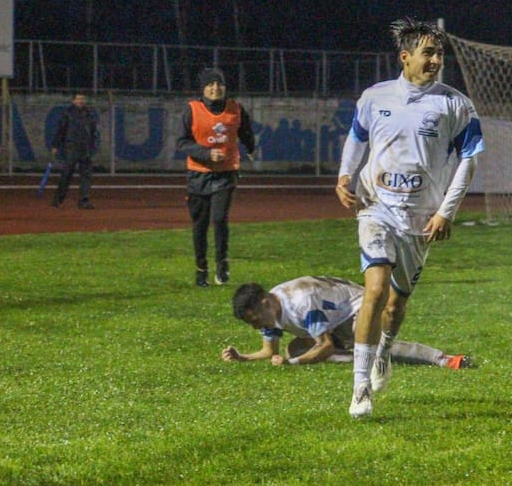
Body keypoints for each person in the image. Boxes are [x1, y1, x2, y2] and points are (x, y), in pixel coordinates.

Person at [335, 18, 485, 418]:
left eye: (439, 53)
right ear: (405, 57)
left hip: (420, 218)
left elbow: (469, 161)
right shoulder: (374, 97)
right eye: (428, 53)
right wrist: (344, 176)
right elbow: (357, 137)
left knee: (395, 307)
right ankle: (360, 387)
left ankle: (384, 350)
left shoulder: (456, 105)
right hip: (376, 207)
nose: (436, 60)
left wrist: (445, 212)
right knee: (375, 289)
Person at [222, 275, 472, 370]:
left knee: (376, 346)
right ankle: (357, 357)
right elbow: (270, 351)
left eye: (254, 321)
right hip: (335, 318)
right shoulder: (270, 308)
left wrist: (292, 363)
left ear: (264, 302)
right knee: (296, 348)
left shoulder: (300, 302)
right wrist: (241, 357)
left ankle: (444, 359)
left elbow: (326, 345)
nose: (255, 327)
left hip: (357, 307)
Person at [176, 67, 256, 287]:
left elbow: (245, 130)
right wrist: (206, 153)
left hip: (226, 173)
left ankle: (222, 264)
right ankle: (201, 270)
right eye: (210, 84)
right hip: (198, 174)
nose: (215, 88)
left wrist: (251, 147)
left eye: (219, 84)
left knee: (219, 219)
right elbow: (181, 142)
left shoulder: (235, 108)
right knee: (200, 226)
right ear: (203, 89)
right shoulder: (191, 110)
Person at [50, 93, 99, 209]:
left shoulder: (89, 114)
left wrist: (93, 145)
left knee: (86, 176)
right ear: (73, 101)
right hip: (71, 147)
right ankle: (58, 199)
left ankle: (84, 201)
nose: (81, 101)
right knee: (66, 174)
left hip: (85, 148)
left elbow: (93, 131)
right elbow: (61, 130)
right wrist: (55, 145)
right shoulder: (67, 113)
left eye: (82, 98)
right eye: (78, 99)